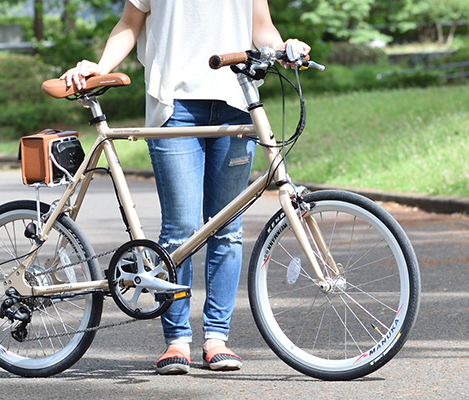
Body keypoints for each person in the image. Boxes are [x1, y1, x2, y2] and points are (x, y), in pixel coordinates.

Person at [61, 0, 311, 375]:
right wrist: (100, 66)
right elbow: (129, 23)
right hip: (173, 103)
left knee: (227, 229)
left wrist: (283, 49)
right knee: (179, 229)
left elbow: (261, 26)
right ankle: (177, 340)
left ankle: (217, 339)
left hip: (237, 99)